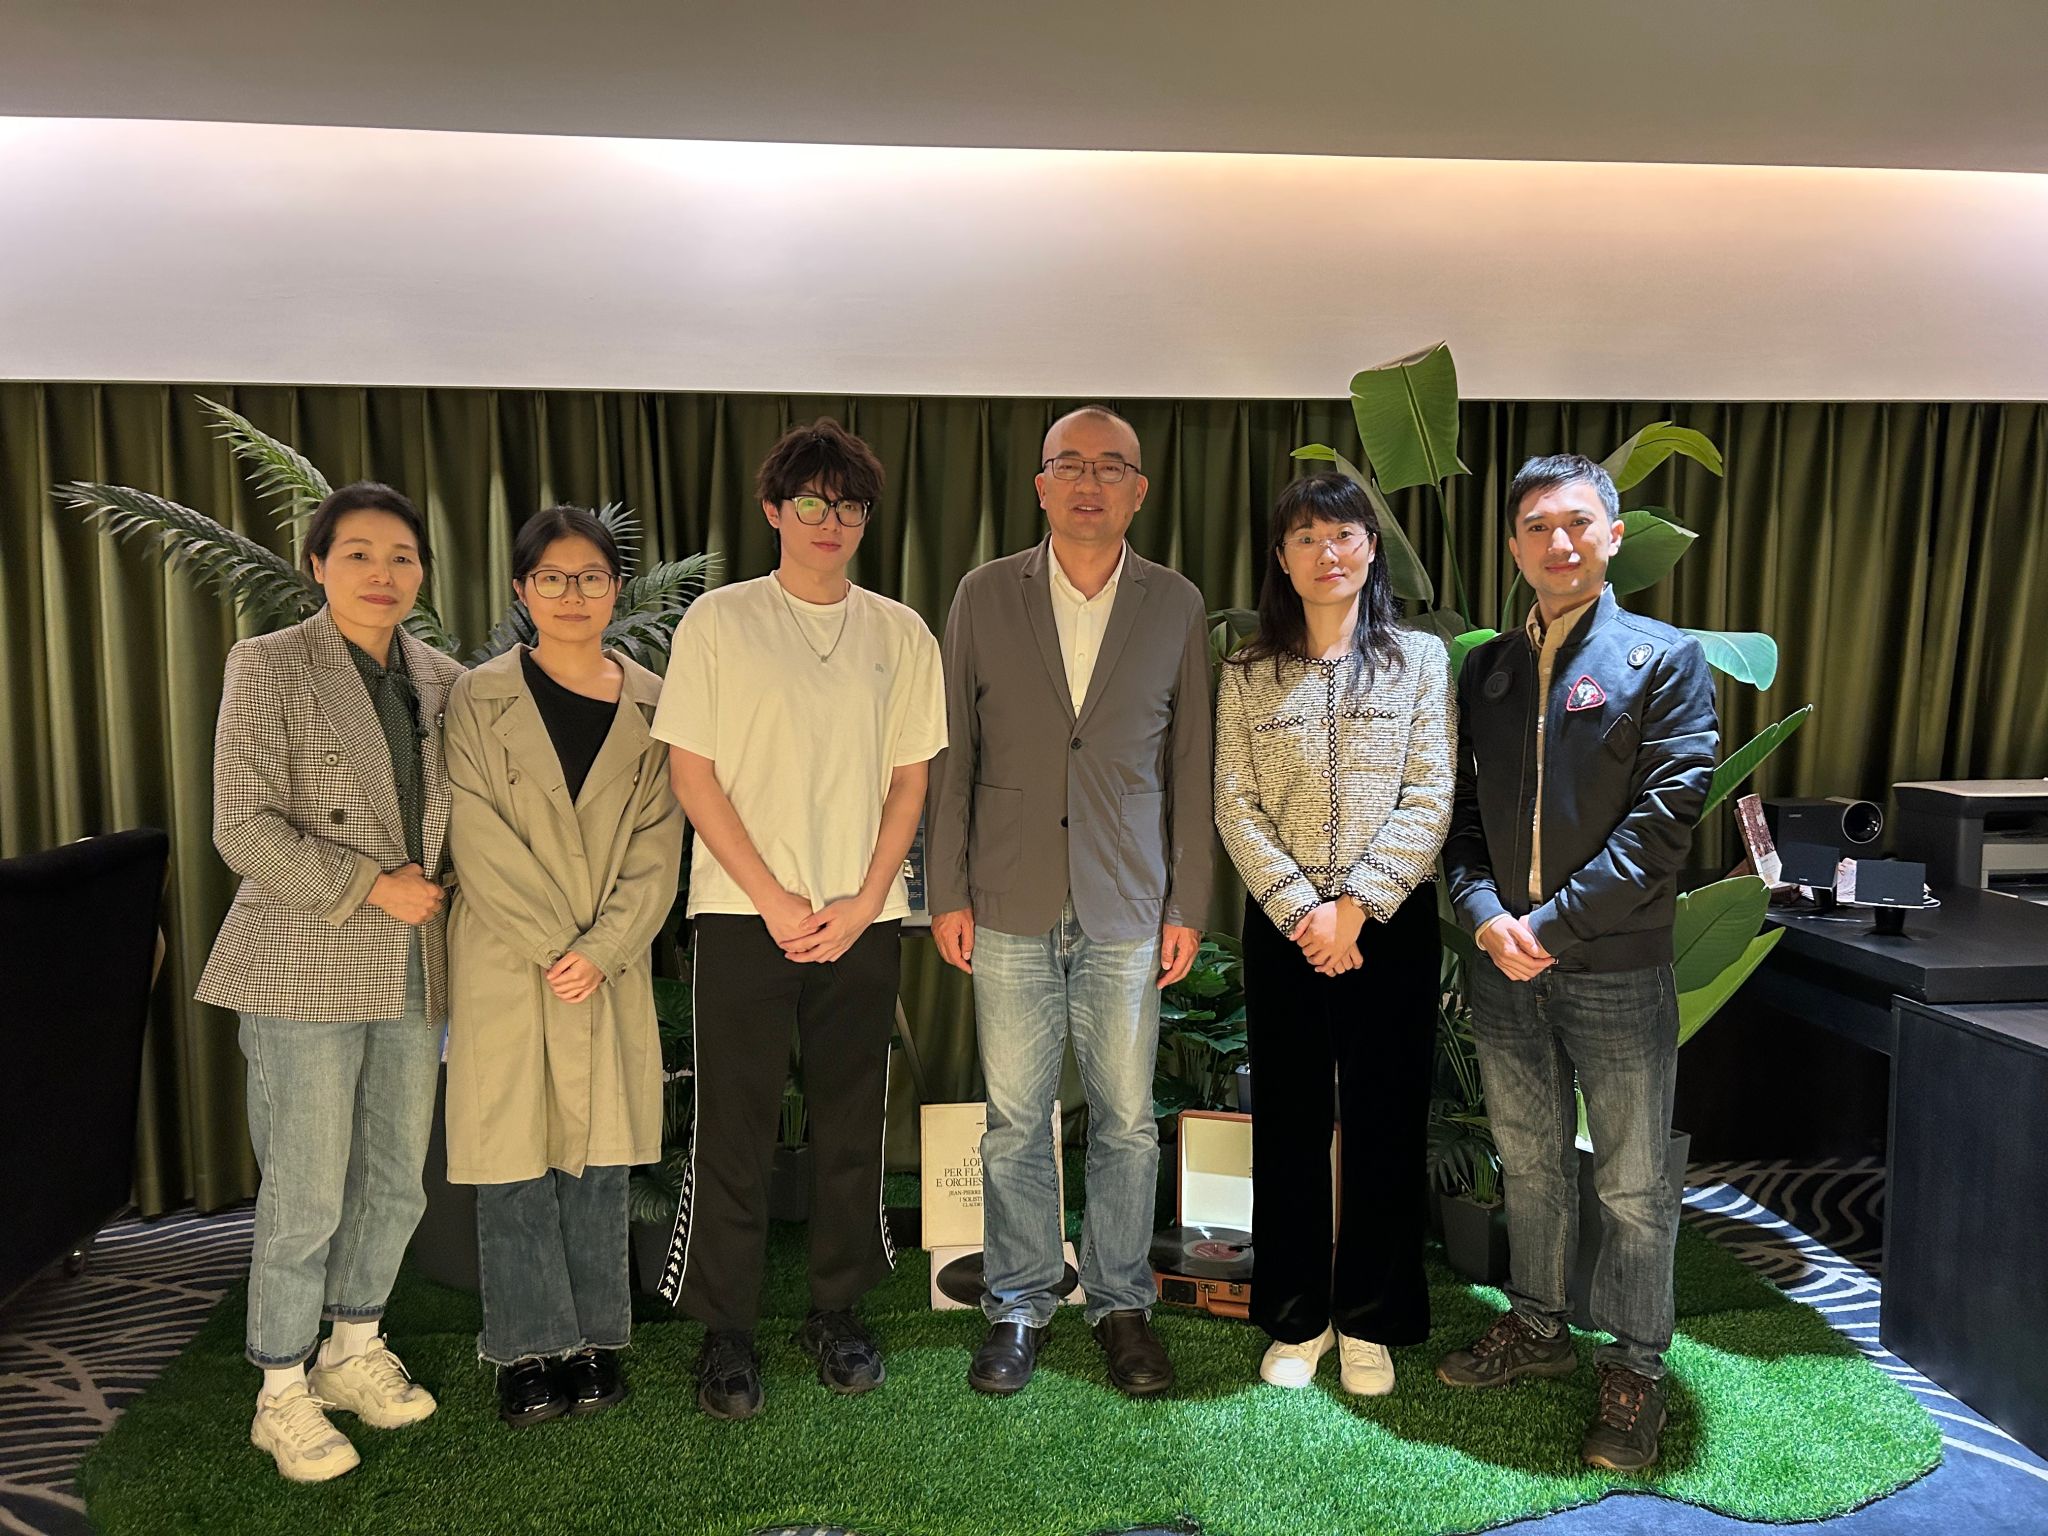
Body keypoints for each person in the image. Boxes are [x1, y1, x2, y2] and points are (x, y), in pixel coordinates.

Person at [651, 418, 946, 1421]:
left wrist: (866, 900)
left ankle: (837, 1311)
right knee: (731, 1125)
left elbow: (909, 782)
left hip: (863, 917)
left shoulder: (900, 633)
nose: (831, 522)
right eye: (811, 503)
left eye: (849, 506)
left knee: (851, 1121)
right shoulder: (719, 622)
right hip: (743, 914)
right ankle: (724, 1330)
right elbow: (692, 773)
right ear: (774, 511)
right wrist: (774, 897)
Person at [1436, 453, 1718, 1472]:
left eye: (1575, 523)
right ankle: (1537, 1326)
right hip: (1502, 968)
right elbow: (1460, 819)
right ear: (1514, 546)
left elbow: (1661, 827)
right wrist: (1483, 918)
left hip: (1614, 969)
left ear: (1611, 535)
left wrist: (1548, 929)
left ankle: (1635, 1366)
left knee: (1634, 1186)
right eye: (1535, 527)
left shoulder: (1664, 659)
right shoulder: (1487, 671)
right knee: (1531, 1164)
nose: (1557, 542)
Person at [927, 404, 1213, 1399]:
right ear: (1041, 485)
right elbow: (953, 750)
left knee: (1127, 1119)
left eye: (1111, 466)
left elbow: (1189, 761)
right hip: (1006, 895)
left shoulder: (1175, 603)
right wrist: (947, 888)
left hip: (1129, 900)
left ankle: (1122, 1303)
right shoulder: (982, 593)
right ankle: (1017, 1301)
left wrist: (1187, 902)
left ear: (1139, 490)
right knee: (1015, 1118)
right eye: (1070, 465)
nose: (1090, 482)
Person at [196, 481, 463, 1482]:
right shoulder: (269, 663)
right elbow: (241, 824)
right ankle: (280, 1388)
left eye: (401, 556)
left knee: (394, 1175)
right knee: (305, 1186)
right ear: (317, 564)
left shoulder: (443, 679)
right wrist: (371, 885)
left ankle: (353, 1349)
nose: (381, 574)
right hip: (305, 956)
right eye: (358, 553)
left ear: (422, 572)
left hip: (415, 960)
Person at [442, 506, 685, 1427]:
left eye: (590, 577)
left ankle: (592, 1343)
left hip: (607, 963)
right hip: (511, 959)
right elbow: (474, 832)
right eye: (551, 577)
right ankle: (524, 1349)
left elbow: (660, 846)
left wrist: (603, 948)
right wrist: (560, 946)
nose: (572, 594)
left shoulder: (657, 704)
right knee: (511, 1157)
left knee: (597, 1157)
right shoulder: (476, 698)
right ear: (521, 589)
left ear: (615, 589)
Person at [1212, 472, 1452, 1397]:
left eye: (1344, 534)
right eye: (1306, 537)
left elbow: (1430, 794)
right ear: (1282, 558)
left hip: (1388, 925)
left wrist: (1355, 906)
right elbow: (1234, 802)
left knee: (1388, 1120)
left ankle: (1372, 1320)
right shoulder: (1247, 671)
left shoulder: (1419, 661)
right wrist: (1301, 909)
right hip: (1286, 928)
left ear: (1371, 548)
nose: (1327, 553)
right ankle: (1297, 1316)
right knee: (1290, 1123)